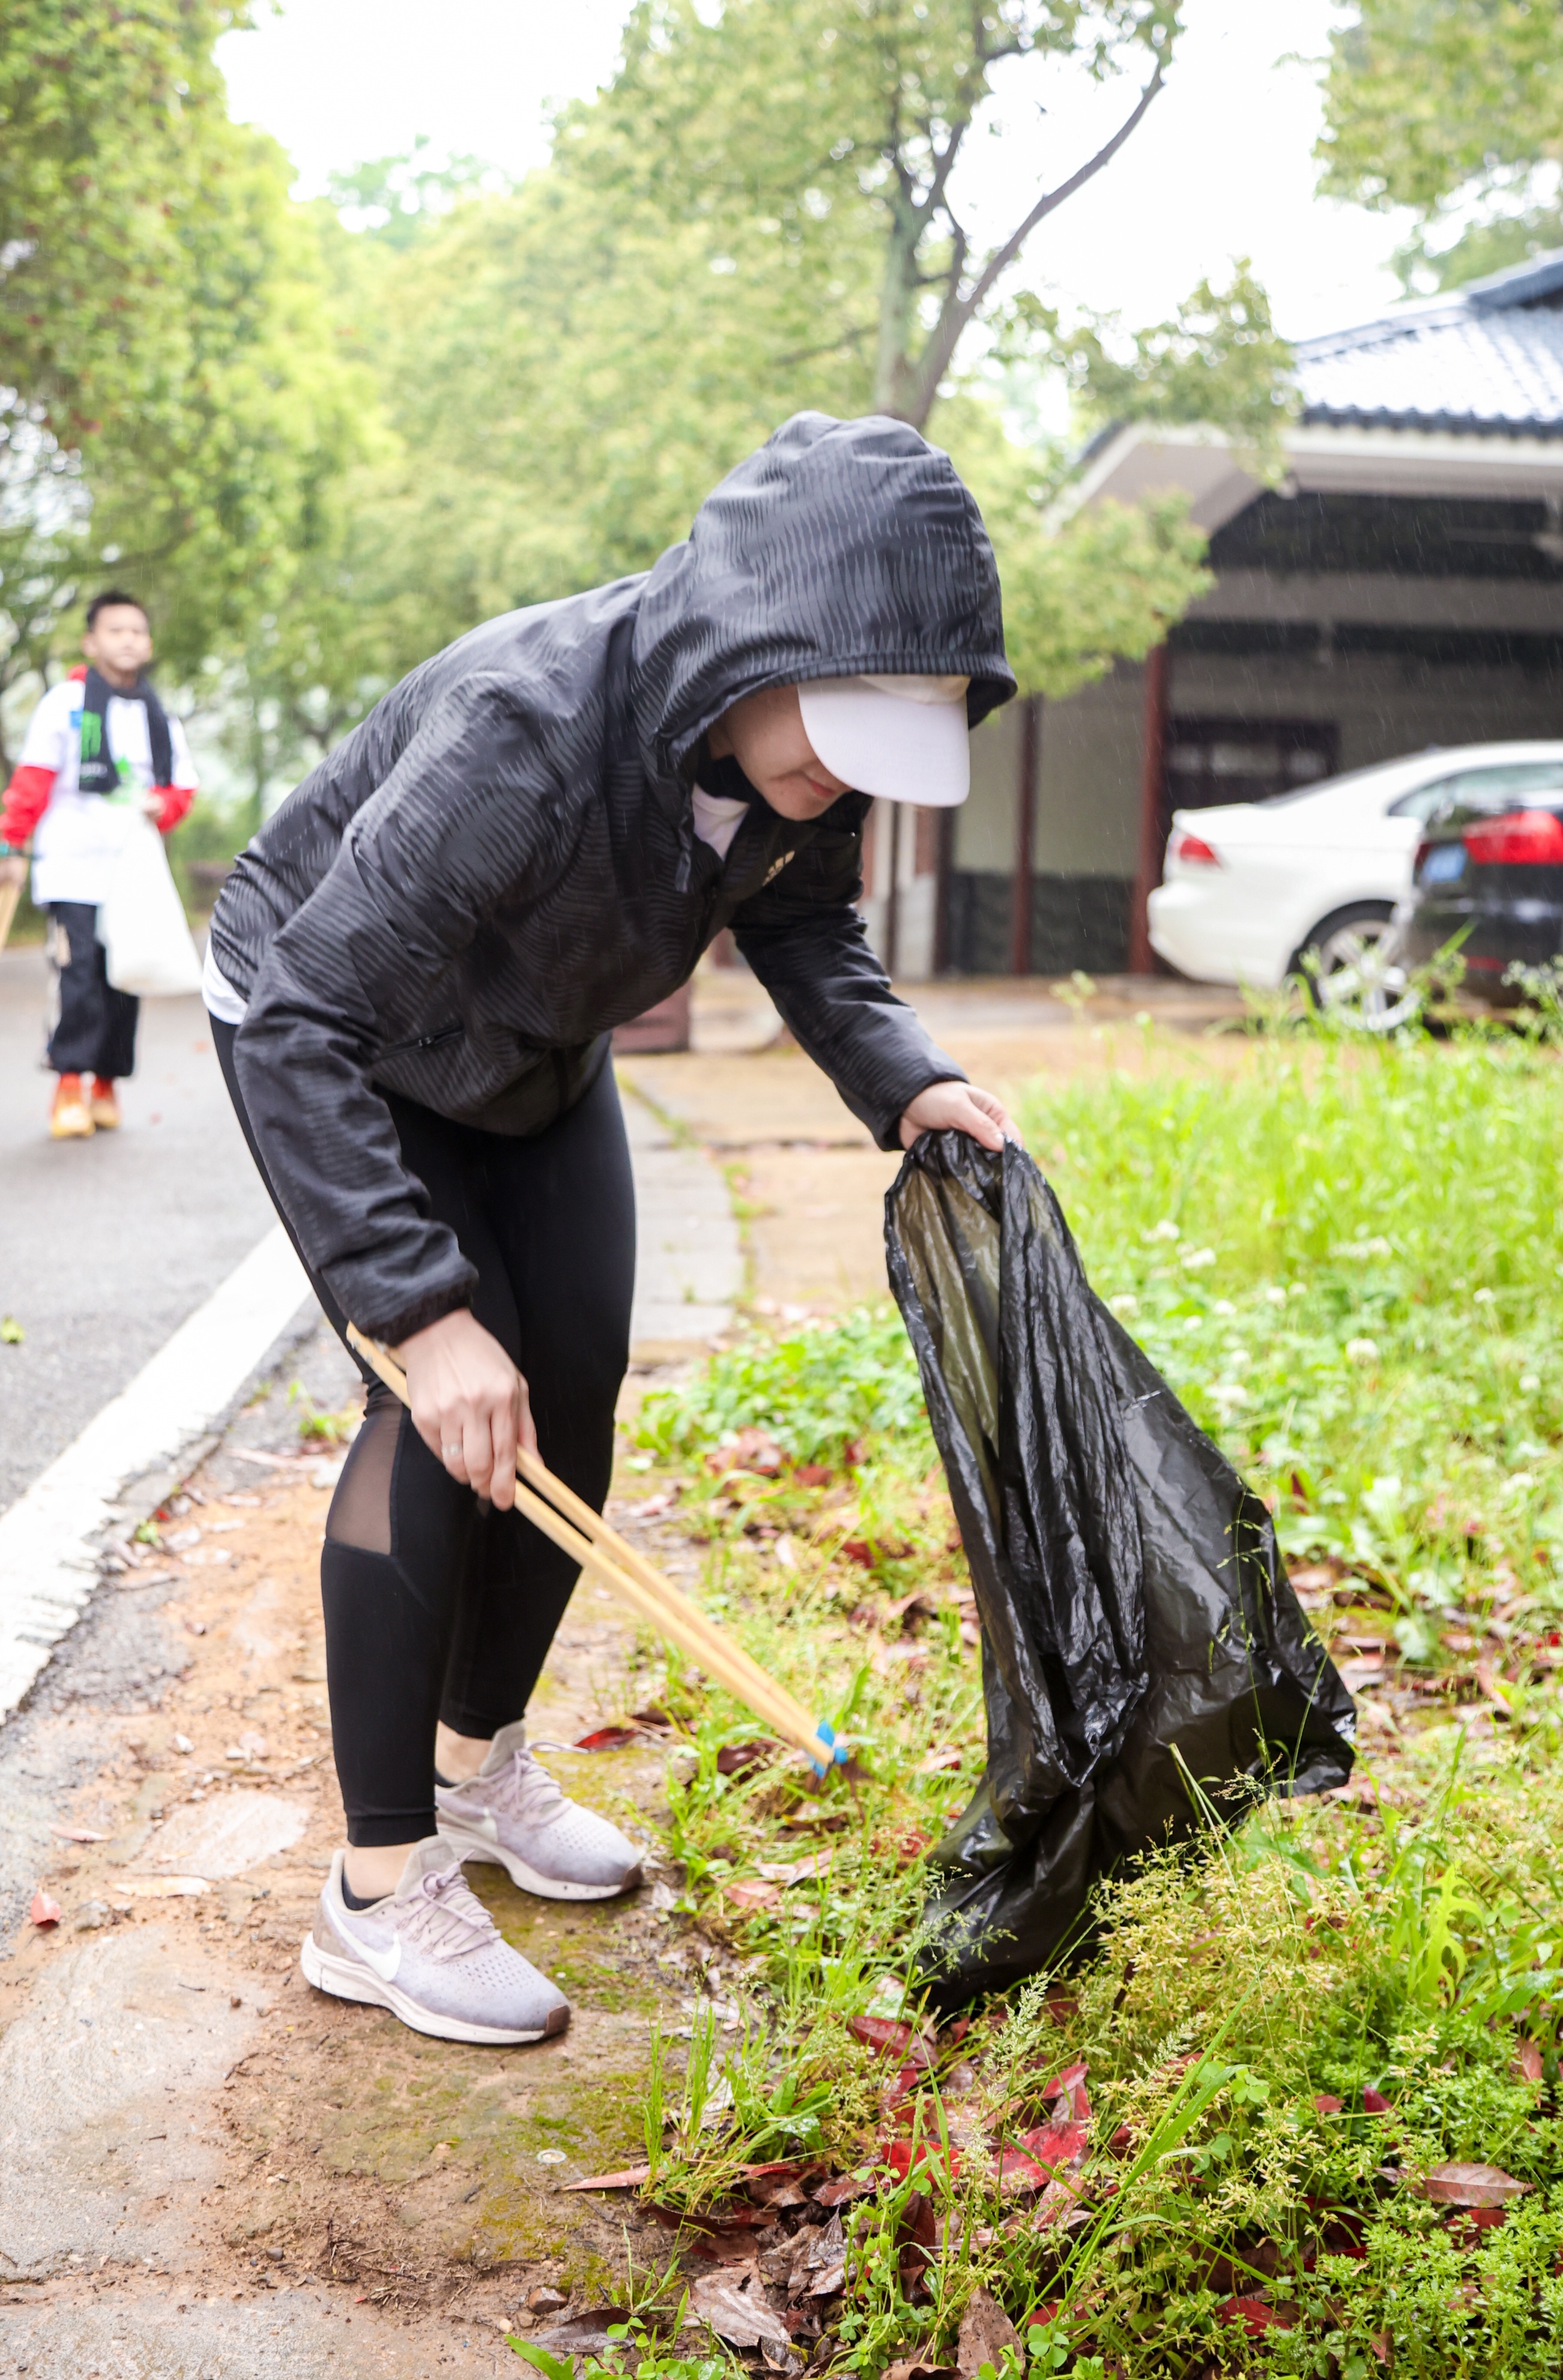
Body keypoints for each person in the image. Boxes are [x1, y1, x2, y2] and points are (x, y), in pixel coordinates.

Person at [205, 411, 1019, 2049]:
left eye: (883, 746)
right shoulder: (528, 730)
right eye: (840, 731)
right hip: (343, 1032)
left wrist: (906, 1080)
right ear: (751, 637)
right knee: (444, 1409)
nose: (845, 776)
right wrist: (419, 1314)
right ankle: (374, 1889)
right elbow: (305, 1013)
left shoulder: (798, 760)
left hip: (531, 1050)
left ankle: (475, 1763)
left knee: (566, 1394)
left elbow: (802, 927)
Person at [0, 591, 198, 1137]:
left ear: (149, 643)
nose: (128, 640)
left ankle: (106, 1086)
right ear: (92, 641)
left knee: (122, 977)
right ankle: (68, 1085)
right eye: (116, 631)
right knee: (78, 974)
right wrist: (10, 846)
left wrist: (166, 804)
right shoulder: (65, 704)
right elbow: (33, 782)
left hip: (132, 871)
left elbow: (181, 789)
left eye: (137, 631)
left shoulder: (161, 715)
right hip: (72, 867)